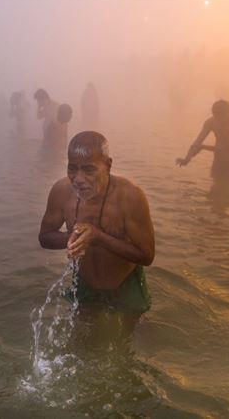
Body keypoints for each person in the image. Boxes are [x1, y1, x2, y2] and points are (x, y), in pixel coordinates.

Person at [39, 131, 155, 322]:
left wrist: (98, 237)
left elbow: (146, 255)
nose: (78, 178)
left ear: (108, 166)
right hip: (84, 284)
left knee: (126, 343)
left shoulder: (130, 196)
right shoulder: (61, 191)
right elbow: (44, 237)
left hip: (124, 285)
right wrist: (73, 237)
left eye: (89, 170)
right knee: (82, 341)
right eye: (72, 168)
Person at [176, 100, 229, 178]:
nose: (219, 120)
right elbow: (198, 141)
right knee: (214, 183)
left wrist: (203, 147)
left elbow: (227, 148)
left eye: (222, 117)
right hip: (218, 160)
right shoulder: (211, 122)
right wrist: (187, 159)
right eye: (216, 117)